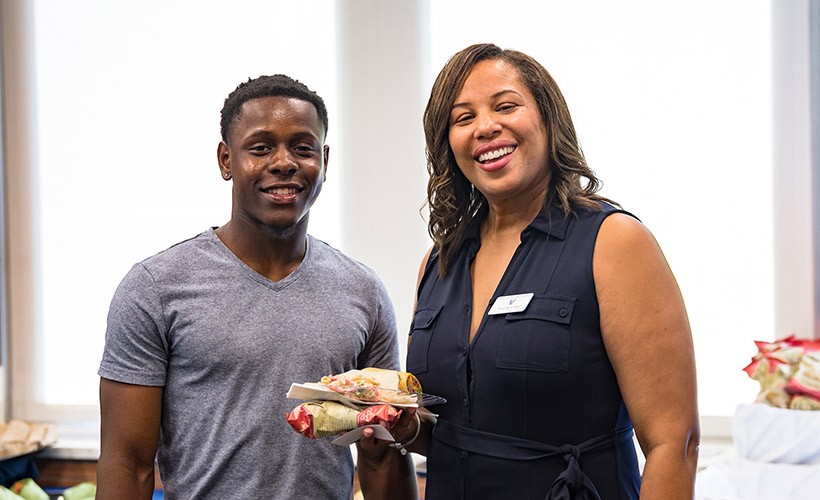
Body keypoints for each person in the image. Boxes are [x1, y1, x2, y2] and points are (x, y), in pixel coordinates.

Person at [383, 43, 700, 499]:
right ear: (447, 145)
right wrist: (389, 421)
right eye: (463, 117)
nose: (486, 127)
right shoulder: (439, 263)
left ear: (548, 120)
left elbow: (675, 443)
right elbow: (456, 435)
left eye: (505, 106)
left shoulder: (614, 243)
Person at [96, 74, 410, 499]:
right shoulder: (155, 287)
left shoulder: (363, 291)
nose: (284, 162)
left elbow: (383, 452)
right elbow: (127, 463)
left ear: (325, 161)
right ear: (226, 160)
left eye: (303, 147)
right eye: (260, 147)